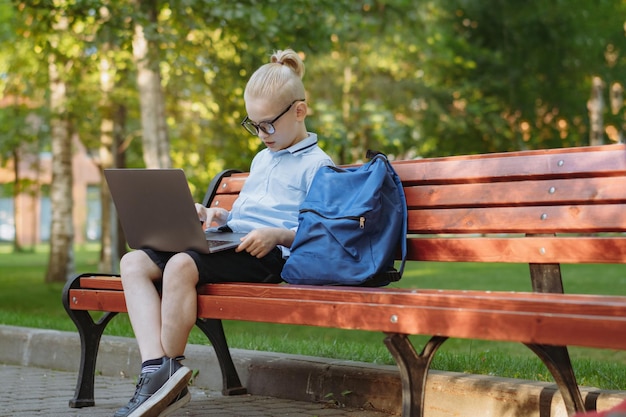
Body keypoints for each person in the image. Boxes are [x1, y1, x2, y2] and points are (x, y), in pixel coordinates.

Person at [114, 48, 334, 417]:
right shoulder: (262, 158)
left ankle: (167, 374)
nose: (261, 134)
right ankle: (158, 370)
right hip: (232, 242)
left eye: (268, 124)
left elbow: (319, 232)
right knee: (133, 262)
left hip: (269, 255)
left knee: (182, 265)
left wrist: (278, 235)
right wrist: (216, 214)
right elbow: (247, 211)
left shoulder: (317, 165)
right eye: (254, 124)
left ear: (299, 111)